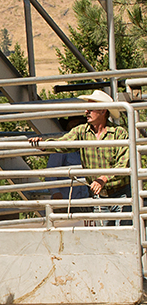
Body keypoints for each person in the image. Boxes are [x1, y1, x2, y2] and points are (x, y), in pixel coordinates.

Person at [29, 90, 131, 226]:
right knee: (105, 234)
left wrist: (104, 178)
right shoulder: (82, 131)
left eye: (90, 108)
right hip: (99, 196)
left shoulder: (119, 133)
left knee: (124, 231)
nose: (86, 111)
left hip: (121, 193)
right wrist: (44, 144)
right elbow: (63, 143)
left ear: (103, 111)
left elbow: (124, 163)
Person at [45, 116, 90, 209]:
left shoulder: (85, 149)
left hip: (83, 201)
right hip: (66, 201)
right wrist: (56, 193)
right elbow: (50, 173)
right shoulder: (62, 148)